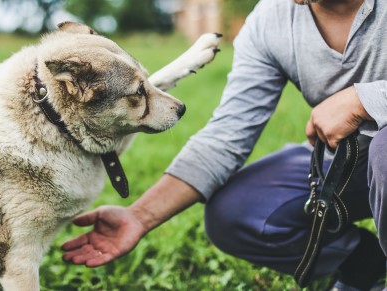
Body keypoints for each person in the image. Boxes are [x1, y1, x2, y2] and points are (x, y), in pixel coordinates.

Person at [61, 0, 387, 289]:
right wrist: (140, 217)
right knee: (236, 210)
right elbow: (227, 134)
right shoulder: (270, 21)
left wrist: (365, 99)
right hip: (346, 164)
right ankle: (363, 260)